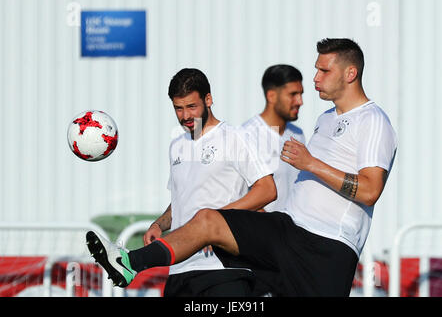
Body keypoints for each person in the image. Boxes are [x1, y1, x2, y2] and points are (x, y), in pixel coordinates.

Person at [86, 38, 397, 296]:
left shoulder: (373, 120)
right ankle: (129, 262)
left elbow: (370, 190)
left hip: (327, 248)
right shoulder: (326, 118)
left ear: (350, 73)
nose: (315, 77)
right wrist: (166, 222)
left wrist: (310, 163)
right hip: (288, 230)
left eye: (323, 70)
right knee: (209, 220)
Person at [87, 68, 276, 296]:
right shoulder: (177, 145)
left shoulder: (235, 137)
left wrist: (216, 223)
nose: (185, 116)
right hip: (179, 270)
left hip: (222, 268)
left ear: (208, 100)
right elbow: (180, 200)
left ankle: (129, 260)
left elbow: (267, 189)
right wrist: (159, 224)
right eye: (178, 108)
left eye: (191, 107)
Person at [241, 64, 305, 213]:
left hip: (295, 231)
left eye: (301, 94)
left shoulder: (297, 134)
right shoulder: (246, 135)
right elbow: (241, 193)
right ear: (271, 96)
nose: (300, 101)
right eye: (293, 94)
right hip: (265, 232)